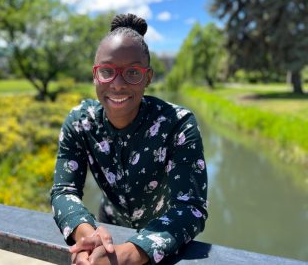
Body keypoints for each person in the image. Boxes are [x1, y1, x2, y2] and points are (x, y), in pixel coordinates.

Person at [50, 13, 208, 265]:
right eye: (107, 71)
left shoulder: (178, 125)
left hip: (162, 236)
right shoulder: (80, 123)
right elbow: (63, 191)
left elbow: (190, 207)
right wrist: (87, 236)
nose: (118, 84)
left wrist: (127, 255)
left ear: (148, 77)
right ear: (95, 75)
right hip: (106, 228)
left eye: (133, 73)